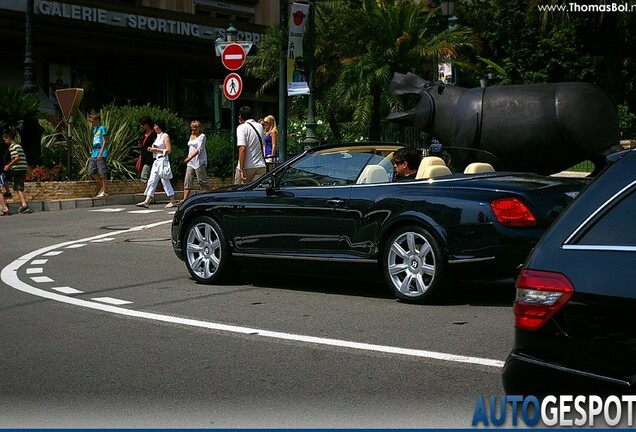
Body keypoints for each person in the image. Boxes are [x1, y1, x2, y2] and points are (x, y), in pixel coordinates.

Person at [136, 120, 177, 208]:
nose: (154, 127)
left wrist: (156, 150)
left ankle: (172, 200)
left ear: (159, 126)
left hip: (162, 160)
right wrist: (152, 149)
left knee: (165, 180)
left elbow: (169, 150)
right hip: (156, 161)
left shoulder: (165, 136)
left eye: (155, 126)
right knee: (152, 180)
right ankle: (147, 201)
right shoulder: (157, 137)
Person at [235, 106, 266, 184]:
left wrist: (241, 169)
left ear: (240, 117)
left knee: (238, 193)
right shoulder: (259, 126)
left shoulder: (241, 128)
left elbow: (242, 148)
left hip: (247, 167)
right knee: (255, 194)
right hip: (260, 166)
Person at [2, 131, 32, 213]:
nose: (4, 142)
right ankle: (23, 204)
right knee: (19, 187)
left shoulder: (13, 146)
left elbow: (17, 158)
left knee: (3, 175)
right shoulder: (18, 145)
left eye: (5, 140)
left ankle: (9, 193)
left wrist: (8, 166)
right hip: (23, 168)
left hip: (18, 169)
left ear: (8, 138)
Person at [181, 120, 208, 203]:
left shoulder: (202, 136)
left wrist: (189, 157)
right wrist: (189, 159)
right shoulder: (191, 135)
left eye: (196, 128)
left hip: (199, 161)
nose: (194, 129)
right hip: (191, 163)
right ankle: (184, 199)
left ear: (199, 127)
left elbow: (199, 149)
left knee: (201, 181)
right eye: (192, 128)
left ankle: (209, 194)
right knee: (187, 179)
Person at [88, 112, 109, 198]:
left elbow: (105, 141)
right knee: (91, 171)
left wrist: (101, 152)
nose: (92, 124)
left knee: (102, 172)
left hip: (101, 153)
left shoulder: (102, 128)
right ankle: (102, 186)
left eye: (93, 121)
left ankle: (106, 191)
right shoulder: (95, 130)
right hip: (94, 153)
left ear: (97, 120)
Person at [138, 116, 157, 181]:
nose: (141, 126)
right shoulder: (144, 134)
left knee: (144, 176)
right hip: (144, 157)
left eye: (143, 124)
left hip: (150, 158)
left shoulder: (154, 134)